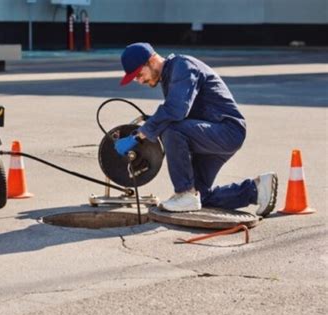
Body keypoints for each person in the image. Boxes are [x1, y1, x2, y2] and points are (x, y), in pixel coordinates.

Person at [114, 42, 277, 216]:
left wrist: (138, 136)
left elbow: (176, 110)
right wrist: (149, 127)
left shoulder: (183, 66)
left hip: (227, 131)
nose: (139, 81)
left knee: (171, 129)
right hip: (211, 134)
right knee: (201, 196)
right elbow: (177, 112)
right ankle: (257, 190)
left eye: (139, 74)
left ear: (152, 61)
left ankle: (184, 194)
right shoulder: (170, 75)